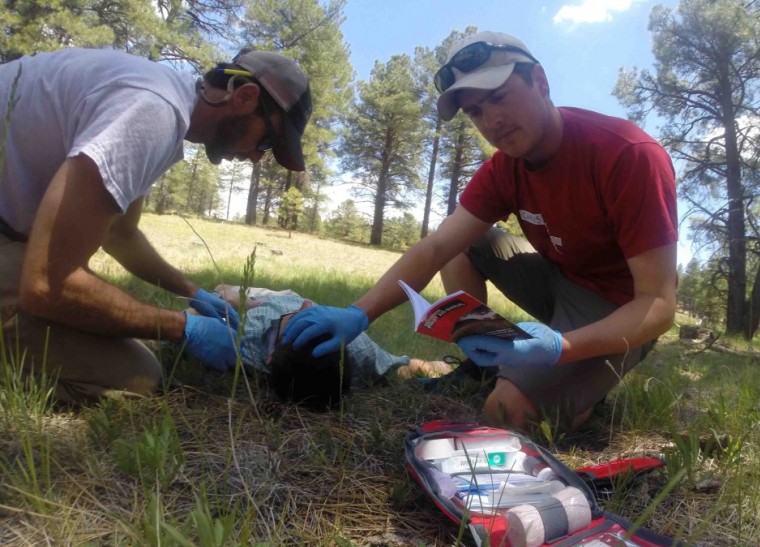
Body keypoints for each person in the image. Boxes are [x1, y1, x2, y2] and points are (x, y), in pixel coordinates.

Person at [281, 31, 678, 431]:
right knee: (461, 244)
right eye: (475, 112)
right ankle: (480, 363)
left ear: (540, 81)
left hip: (621, 306)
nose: (492, 121)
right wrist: (358, 313)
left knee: (506, 412)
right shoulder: (504, 168)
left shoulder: (626, 155)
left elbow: (659, 305)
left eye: (499, 97)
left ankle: (577, 392)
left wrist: (562, 347)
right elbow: (437, 247)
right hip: (560, 278)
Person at [0, 47, 312, 405]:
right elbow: (46, 284)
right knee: (137, 377)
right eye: (267, 141)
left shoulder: (162, 98)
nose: (258, 158)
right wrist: (184, 327)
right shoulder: (152, 111)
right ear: (244, 96)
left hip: (12, 237)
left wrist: (193, 292)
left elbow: (121, 235)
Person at [201, 285, 452, 408]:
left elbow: (197, 312)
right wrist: (436, 367)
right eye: (308, 319)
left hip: (267, 299)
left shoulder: (245, 338)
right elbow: (400, 365)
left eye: (302, 320)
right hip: (282, 296)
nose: (308, 304)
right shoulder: (357, 348)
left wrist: (227, 301)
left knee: (222, 289)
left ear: (270, 355)